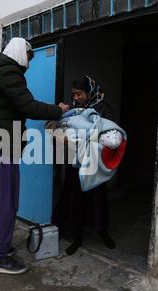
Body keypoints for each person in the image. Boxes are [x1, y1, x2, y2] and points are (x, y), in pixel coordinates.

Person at [0, 38, 70, 275]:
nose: (29, 64)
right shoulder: (8, 73)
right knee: (6, 202)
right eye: (29, 58)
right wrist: (58, 110)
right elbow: (28, 106)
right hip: (2, 146)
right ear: (20, 53)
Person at [52, 75, 117, 255]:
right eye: (74, 94)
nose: (76, 98)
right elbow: (59, 126)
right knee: (75, 199)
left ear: (90, 92)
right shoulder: (74, 110)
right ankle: (77, 237)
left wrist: (81, 140)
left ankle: (103, 232)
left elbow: (109, 136)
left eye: (79, 94)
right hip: (76, 163)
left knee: (99, 199)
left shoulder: (103, 109)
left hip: (96, 163)